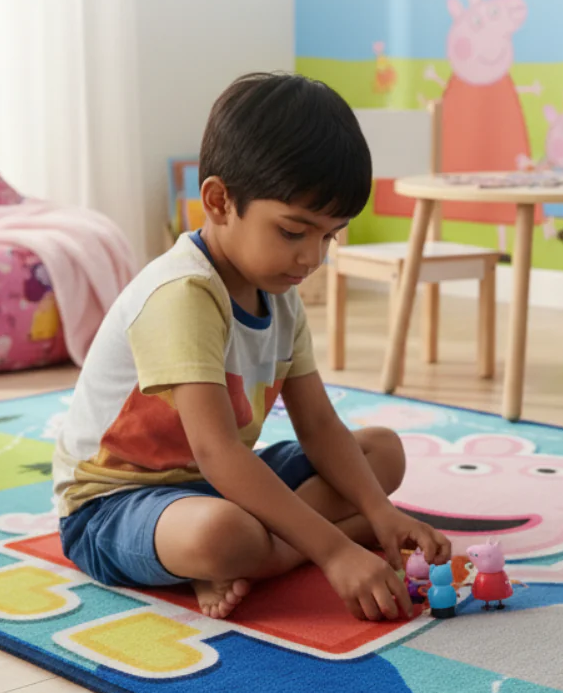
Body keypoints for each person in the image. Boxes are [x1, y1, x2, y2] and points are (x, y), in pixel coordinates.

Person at [53, 72, 450, 620]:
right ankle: (285, 546)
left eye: (330, 235)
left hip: (220, 482)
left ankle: (270, 550)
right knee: (222, 534)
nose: (313, 257)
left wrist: (380, 514)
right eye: (293, 232)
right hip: (116, 504)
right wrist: (335, 550)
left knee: (382, 451)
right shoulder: (183, 294)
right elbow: (218, 450)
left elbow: (319, 426)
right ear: (219, 201)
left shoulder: (279, 294)